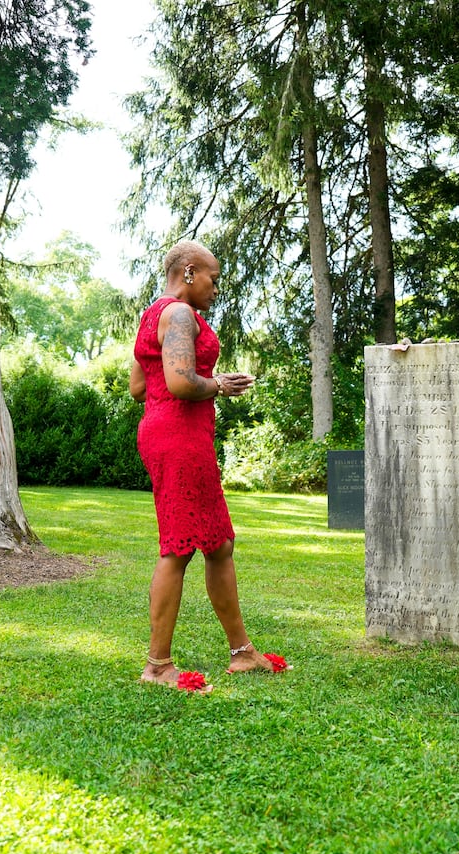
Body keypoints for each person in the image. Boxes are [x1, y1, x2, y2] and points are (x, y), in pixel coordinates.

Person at [130, 241, 286, 691]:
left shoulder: (152, 314)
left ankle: (242, 653)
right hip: (178, 437)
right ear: (191, 271)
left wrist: (199, 383)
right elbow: (179, 383)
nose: (217, 288)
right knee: (177, 547)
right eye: (214, 279)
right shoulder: (178, 315)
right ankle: (158, 666)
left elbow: (139, 387)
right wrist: (218, 384)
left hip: (172, 433)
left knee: (219, 544)